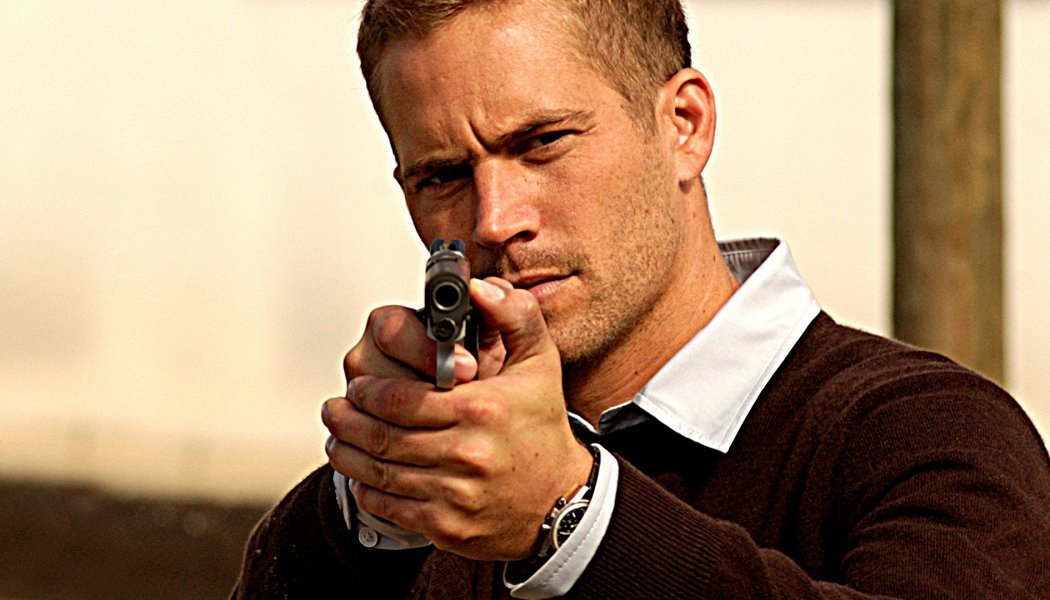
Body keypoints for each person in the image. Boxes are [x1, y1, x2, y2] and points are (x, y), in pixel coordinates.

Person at [232, 0, 1050, 597]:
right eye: (443, 176)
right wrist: (371, 511)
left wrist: (573, 518)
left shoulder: (931, 437)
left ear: (684, 124)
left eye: (542, 143)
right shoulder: (439, 482)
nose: (495, 220)